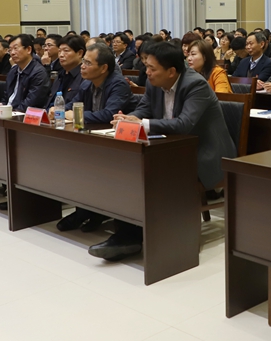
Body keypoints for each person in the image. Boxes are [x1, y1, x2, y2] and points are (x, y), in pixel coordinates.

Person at [96, 42, 236, 260]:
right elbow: (144, 108)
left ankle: (140, 237)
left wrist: (142, 123)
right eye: (146, 66)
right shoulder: (155, 81)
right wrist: (130, 118)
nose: (147, 72)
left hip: (204, 154)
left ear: (171, 71)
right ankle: (128, 235)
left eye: (152, 68)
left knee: (151, 175)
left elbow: (183, 124)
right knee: (128, 169)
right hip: (171, 149)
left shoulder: (195, 85)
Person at [56, 43, 135, 233]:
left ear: (103, 68)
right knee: (75, 162)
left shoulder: (118, 84)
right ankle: (85, 209)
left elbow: (108, 115)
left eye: (87, 63)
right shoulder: (87, 83)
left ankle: (96, 211)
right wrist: (59, 110)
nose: (82, 66)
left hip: (119, 145)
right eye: (83, 62)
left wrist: (76, 115)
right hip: (94, 138)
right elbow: (72, 106)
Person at [1, 34, 51, 112]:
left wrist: (11, 112)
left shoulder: (38, 73)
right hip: (8, 112)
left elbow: (31, 103)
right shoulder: (13, 71)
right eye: (10, 50)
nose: (12, 53)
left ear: (28, 49)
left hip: (22, 114)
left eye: (16, 48)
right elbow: (5, 98)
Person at [45, 34, 86, 111]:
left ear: (80, 53)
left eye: (66, 51)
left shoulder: (85, 76)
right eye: (59, 51)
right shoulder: (59, 76)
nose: (61, 55)